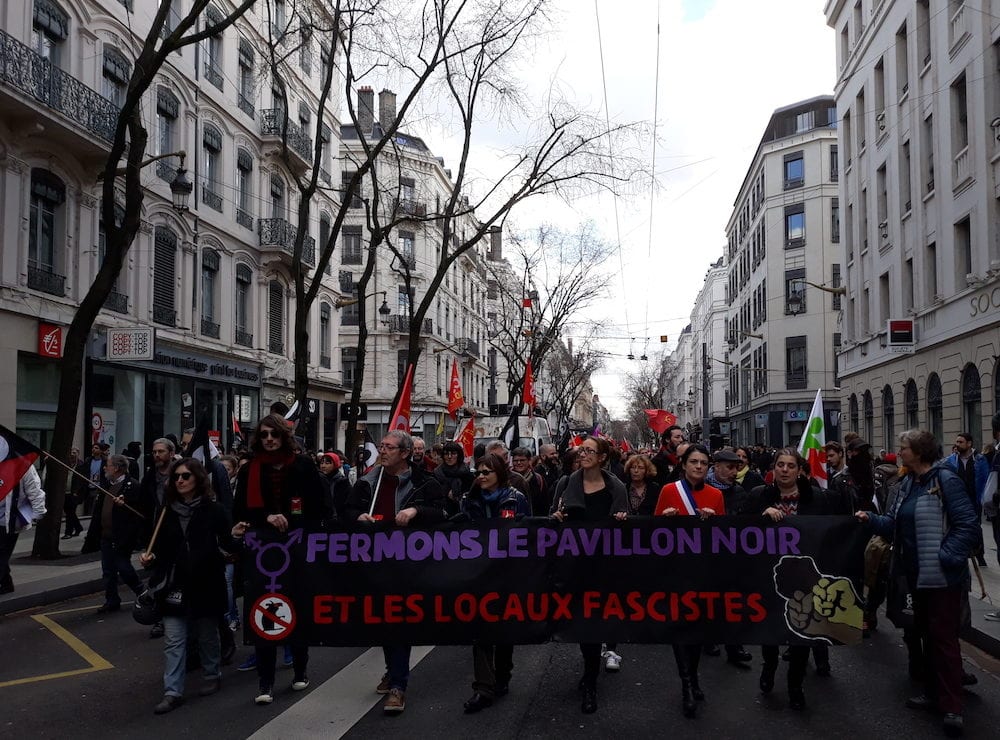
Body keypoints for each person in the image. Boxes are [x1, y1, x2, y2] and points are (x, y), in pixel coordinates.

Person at [857, 429, 979, 738]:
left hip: (940, 577)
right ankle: (931, 691)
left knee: (944, 640)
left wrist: (946, 557)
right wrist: (870, 519)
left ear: (920, 452)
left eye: (904, 448)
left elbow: (968, 525)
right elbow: (894, 525)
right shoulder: (907, 483)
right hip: (913, 575)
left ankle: (952, 705)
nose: (899, 453)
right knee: (922, 633)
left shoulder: (946, 480)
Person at [345, 430, 447, 715]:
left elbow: (442, 513)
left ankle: (398, 685)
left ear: (404, 453)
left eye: (389, 447)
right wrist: (357, 517)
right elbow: (347, 511)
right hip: (376, 565)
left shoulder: (425, 482)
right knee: (383, 621)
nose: (383, 451)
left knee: (399, 621)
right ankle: (393, 671)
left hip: (409, 566)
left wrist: (416, 511)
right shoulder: (367, 483)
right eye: (381, 446)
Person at [232, 414, 330, 705]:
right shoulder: (250, 471)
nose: (269, 440)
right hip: (263, 552)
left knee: (297, 610)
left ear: (283, 437)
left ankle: (300, 668)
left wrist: (295, 521)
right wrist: (265, 517)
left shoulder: (302, 466)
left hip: (297, 549)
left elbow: (320, 507)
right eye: (264, 435)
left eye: (274, 434)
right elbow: (239, 511)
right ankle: (266, 680)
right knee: (263, 612)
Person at [141, 458, 240, 715]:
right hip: (174, 584)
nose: (180, 481)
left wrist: (236, 542)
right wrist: (149, 558)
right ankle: (172, 691)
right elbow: (159, 547)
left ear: (198, 478)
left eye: (185, 476)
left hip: (206, 582)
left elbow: (227, 543)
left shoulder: (214, 510)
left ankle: (211, 673)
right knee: (174, 640)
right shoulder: (166, 511)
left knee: (207, 634)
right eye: (176, 477)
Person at [751, 448, 835, 710]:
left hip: (805, 577)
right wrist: (761, 516)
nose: (785, 470)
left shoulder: (818, 500)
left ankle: (795, 685)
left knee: (801, 633)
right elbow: (739, 529)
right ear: (773, 469)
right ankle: (769, 665)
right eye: (780, 465)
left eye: (790, 465)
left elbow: (831, 532)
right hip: (768, 575)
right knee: (771, 628)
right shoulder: (759, 496)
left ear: (800, 471)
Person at [551, 436, 628, 714]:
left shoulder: (614, 486)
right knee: (582, 622)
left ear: (603, 457)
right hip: (574, 566)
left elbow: (625, 523)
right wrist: (557, 519)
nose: (582, 454)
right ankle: (590, 672)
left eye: (589, 451)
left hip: (603, 567)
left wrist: (621, 520)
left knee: (595, 623)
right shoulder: (566, 483)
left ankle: (591, 682)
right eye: (581, 450)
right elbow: (553, 517)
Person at [655, 444, 725, 718]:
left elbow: (726, 537)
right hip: (675, 569)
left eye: (703, 463)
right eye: (693, 462)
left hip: (702, 570)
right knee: (679, 627)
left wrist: (714, 521)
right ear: (683, 464)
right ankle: (686, 683)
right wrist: (664, 520)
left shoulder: (716, 495)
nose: (698, 467)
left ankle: (693, 676)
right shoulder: (669, 491)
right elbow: (652, 532)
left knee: (697, 628)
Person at [459, 453, 530, 714]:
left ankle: (503, 674)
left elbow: (527, 533)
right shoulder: (469, 500)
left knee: (503, 630)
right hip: (479, 573)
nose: (481, 476)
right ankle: (483, 688)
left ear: (499, 473)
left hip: (507, 574)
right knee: (481, 631)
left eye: (486, 472)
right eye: (478, 472)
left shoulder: (516, 498)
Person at [705, 448, 753, 667]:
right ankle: (710, 638)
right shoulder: (702, 489)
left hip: (732, 555)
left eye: (737, 468)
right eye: (730, 467)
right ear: (716, 467)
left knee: (734, 603)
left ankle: (735, 646)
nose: (734, 472)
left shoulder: (739, 492)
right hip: (707, 556)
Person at [92, 455, 145, 614]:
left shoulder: (132, 486)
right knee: (108, 570)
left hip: (122, 536)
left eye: (107, 465)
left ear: (116, 468)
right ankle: (112, 599)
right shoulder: (106, 485)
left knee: (123, 566)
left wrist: (126, 503)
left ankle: (141, 591)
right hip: (106, 535)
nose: (105, 468)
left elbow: (139, 512)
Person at [943, 433, 989, 567]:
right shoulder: (951, 460)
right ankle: (962, 553)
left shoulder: (979, 459)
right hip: (957, 500)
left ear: (969, 444)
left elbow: (985, 480)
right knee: (957, 528)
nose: (957, 444)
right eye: (956, 442)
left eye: (960, 442)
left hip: (974, 500)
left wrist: (983, 498)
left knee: (975, 528)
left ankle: (979, 554)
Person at [0, 466, 47, 594]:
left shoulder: (23, 464)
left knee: (2, 553)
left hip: (9, 520)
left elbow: (34, 490)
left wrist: (38, 513)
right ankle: (6, 583)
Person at [433, 441, 474, 516]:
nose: (449, 457)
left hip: (465, 514)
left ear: (459, 455)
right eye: (446, 454)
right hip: (443, 514)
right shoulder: (437, 473)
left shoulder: (467, 474)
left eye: (453, 453)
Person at [510, 446, 548, 515]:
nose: (519, 463)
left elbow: (544, 503)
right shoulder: (507, 479)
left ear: (529, 461)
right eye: (515, 461)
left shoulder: (538, 479)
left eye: (522, 460)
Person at [318, 453, 351, 521]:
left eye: (327, 463)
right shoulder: (319, 480)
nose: (323, 466)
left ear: (335, 464)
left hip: (339, 520)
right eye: (321, 463)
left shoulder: (343, 482)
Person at [62, 447, 83, 539]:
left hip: (74, 493)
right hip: (64, 492)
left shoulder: (81, 465)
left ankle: (68, 532)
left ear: (78, 454)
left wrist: (77, 492)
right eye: (71, 452)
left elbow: (82, 481)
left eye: (74, 453)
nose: (72, 454)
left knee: (70, 513)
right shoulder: (65, 464)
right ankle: (78, 527)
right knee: (69, 512)